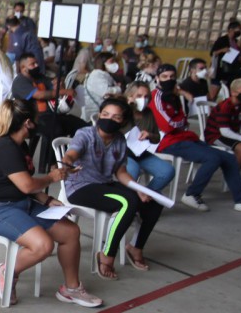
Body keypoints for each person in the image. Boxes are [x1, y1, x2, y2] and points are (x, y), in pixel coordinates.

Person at [0, 99, 102, 308]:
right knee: (43, 245)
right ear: (27, 123)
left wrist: (47, 199)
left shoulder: (20, 145)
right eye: (36, 118)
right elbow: (26, 185)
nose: (39, 122)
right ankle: (8, 270)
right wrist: (52, 177)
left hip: (22, 203)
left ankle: (71, 289)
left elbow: (22, 186)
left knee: (70, 232)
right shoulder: (5, 148)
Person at [62, 98, 164, 277]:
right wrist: (67, 163)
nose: (109, 119)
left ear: (123, 121)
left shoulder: (119, 140)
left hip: (104, 183)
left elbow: (121, 172)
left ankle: (135, 247)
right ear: (99, 115)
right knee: (127, 202)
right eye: (105, 114)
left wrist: (139, 189)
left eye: (116, 117)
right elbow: (71, 154)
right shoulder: (85, 134)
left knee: (153, 202)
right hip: (81, 186)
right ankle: (107, 255)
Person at [149, 63, 241, 215]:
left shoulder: (173, 96)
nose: (169, 79)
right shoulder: (156, 96)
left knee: (228, 158)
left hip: (184, 137)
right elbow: (168, 126)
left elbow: (183, 120)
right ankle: (192, 194)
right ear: (157, 78)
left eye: (172, 76)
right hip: (167, 141)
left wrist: (179, 121)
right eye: (164, 77)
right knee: (212, 158)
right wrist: (179, 122)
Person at [11, 52, 84, 166]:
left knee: (81, 126)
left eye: (36, 63)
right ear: (23, 67)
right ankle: (53, 164)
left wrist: (58, 84)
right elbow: (40, 95)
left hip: (51, 114)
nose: (36, 65)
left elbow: (52, 87)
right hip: (33, 118)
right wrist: (63, 91)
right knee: (56, 130)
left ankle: (75, 156)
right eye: (32, 64)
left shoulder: (39, 77)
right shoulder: (20, 82)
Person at [123, 82, 176, 194]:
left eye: (146, 96)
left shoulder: (148, 113)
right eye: (139, 96)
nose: (143, 99)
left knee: (167, 171)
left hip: (140, 153)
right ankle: (129, 199)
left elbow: (156, 138)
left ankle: (145, 196)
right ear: (130, 96)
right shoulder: (122, 111)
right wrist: (127, 108)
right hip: (122, 153)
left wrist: (149, 135)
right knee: (133, 170)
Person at [203, 78, 241, 172]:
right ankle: (232, 175)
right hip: (215, 136)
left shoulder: (240, 105)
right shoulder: (225, 106)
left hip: (230, 134)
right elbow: (224, 131)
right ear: (233, 92)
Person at [80, 52, 123, 121]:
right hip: (93, 112)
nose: (114, 63)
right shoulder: (96, 76)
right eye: (111, 61)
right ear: (102, 63)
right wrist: (118, 88)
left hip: (101, 110)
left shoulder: (104, 74)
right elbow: (106, 92)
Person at [210, 19, 241, 91]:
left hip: (232, 69)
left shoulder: (236, 41)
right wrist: (222, 50)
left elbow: (238, 54)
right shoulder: (222, 40)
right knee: (216, 88)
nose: (239, 32)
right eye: (238, 30)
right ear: (231, 30)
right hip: (221, 68)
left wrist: (240, 50)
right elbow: (213, 53)